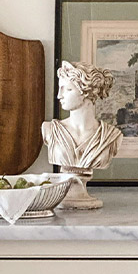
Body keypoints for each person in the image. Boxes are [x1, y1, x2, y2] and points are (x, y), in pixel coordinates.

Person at [41, 61, 123, 208]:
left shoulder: (111, 136)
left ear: (86, 91)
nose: (59, 95)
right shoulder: (50, 130)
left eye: (67, 89)